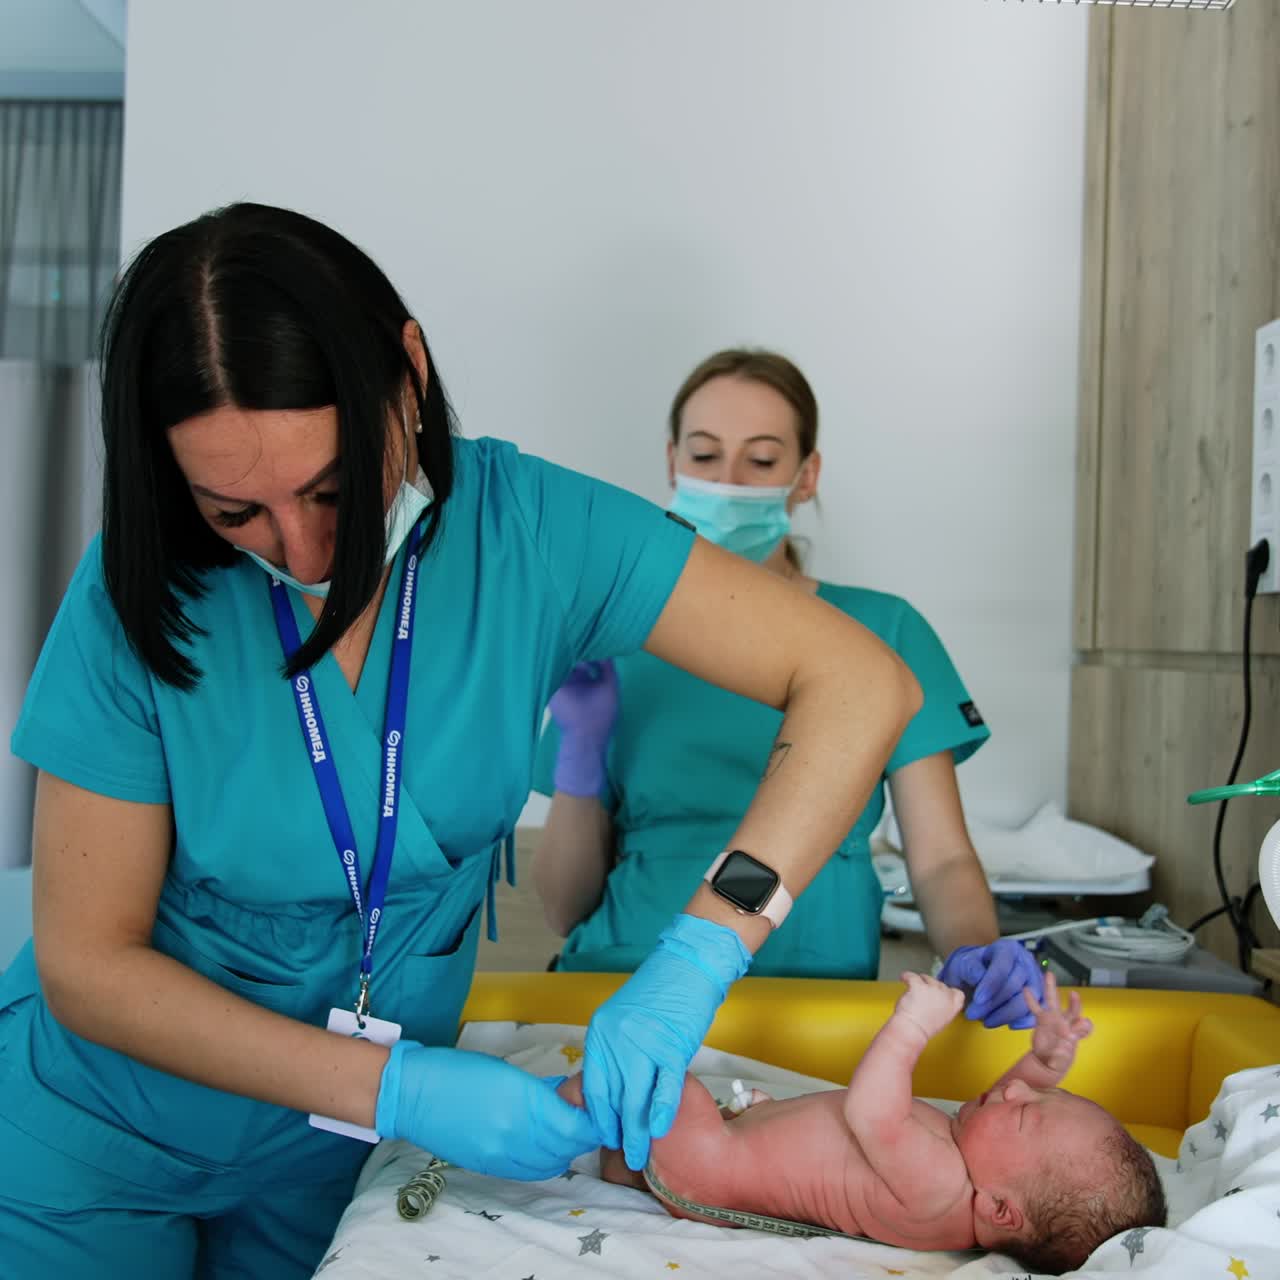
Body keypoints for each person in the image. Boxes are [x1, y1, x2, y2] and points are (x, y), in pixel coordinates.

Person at [0, 205, 923, 1277]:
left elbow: (861, 681)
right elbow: (89, 964)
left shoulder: (532, 533)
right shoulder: (136, 588)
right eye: (233, 512)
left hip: (335, 1167)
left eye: (333, 490)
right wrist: (397, 1087)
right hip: (96, 1138)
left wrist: (702, 950)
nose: (304, 551)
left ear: (408, 372)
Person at [532, 348, 1040, 1024]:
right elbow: (563, 909)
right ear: (673, 463)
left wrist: (975, 952)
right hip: (622, 994)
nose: (729, 481)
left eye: (762, 460)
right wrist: (579, 751)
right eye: (705, 455)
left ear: (806, 476)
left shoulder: (882, 632)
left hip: (814, 1007)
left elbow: (941, 859)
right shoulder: (616, 641)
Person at [560, 972, 1167, 1275]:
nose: (1014, 1090)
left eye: (1028, 1112)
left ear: (1000, 1211)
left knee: (651, 1068)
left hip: (709, 1161)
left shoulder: (938, 1185)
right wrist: (1045, 1061)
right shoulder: (977, 1174)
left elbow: (870, 1111)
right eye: (1041, 1093)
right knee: (634, 1132)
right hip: (714, 1153)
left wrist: (913, 1025)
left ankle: (548, 1111)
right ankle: (619, 1167)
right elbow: (1007, 1109)